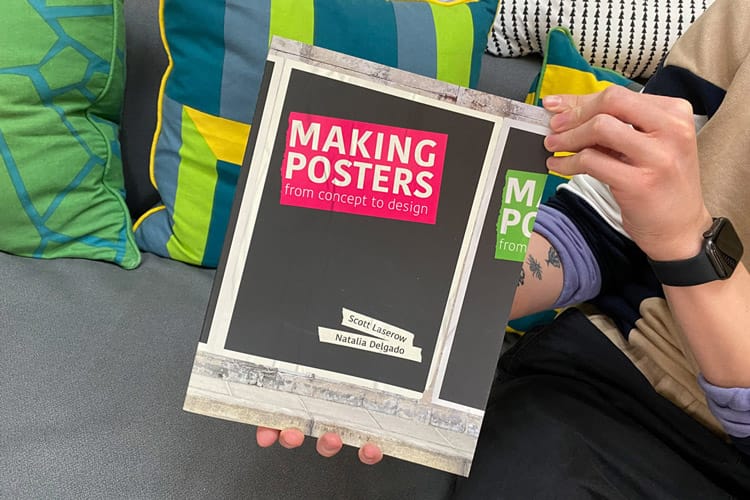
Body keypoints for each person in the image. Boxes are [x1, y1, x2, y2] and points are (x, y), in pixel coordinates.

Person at [257, 1, 750, 496]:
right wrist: (414, 311)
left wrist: (686, 241)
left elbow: (663, 225)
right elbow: (596, 230)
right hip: (610, 393)